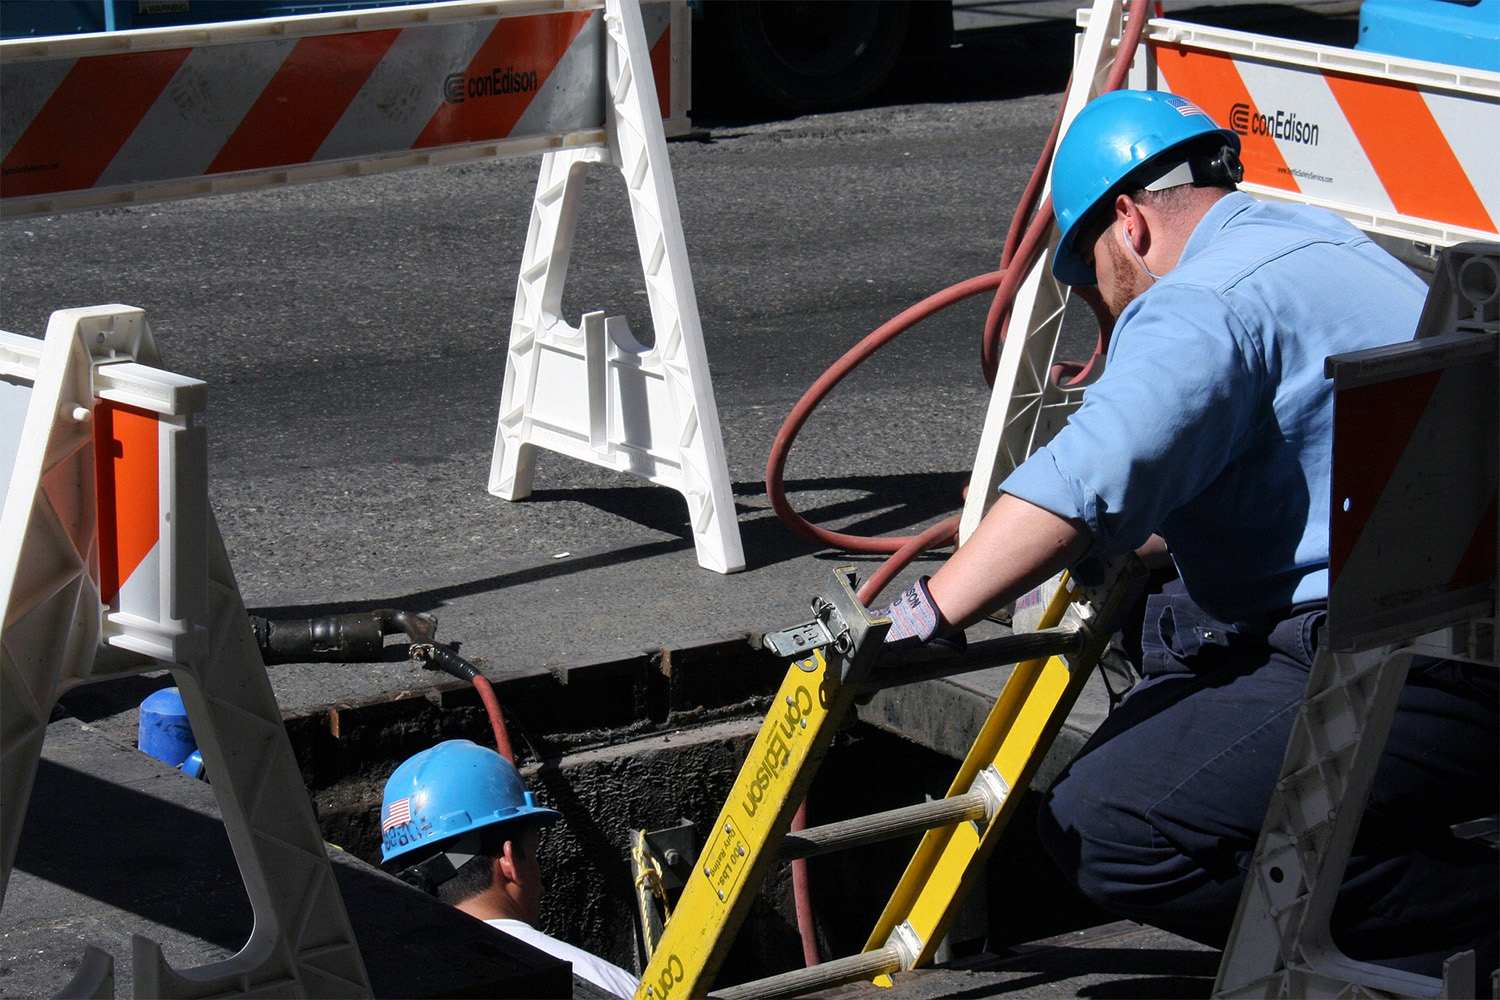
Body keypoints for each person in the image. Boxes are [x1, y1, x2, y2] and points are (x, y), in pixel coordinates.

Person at [881, 89, 1497, 979]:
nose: (1105, 309)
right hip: (1460, 617)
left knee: (1107, 828)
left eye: (1094, 277)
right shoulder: (1316, 243)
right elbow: (1285, 455)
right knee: (1165, 613)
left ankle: (1467, 926)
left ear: (1127, 224)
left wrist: (926, 612)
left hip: (1408, 662)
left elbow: (1081, 484)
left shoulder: (1200, 300)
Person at [380, 739, 639, 999]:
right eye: (535, 853)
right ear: (510, 860)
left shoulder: (379, 980)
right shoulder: (603, 984)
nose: (543, 885)